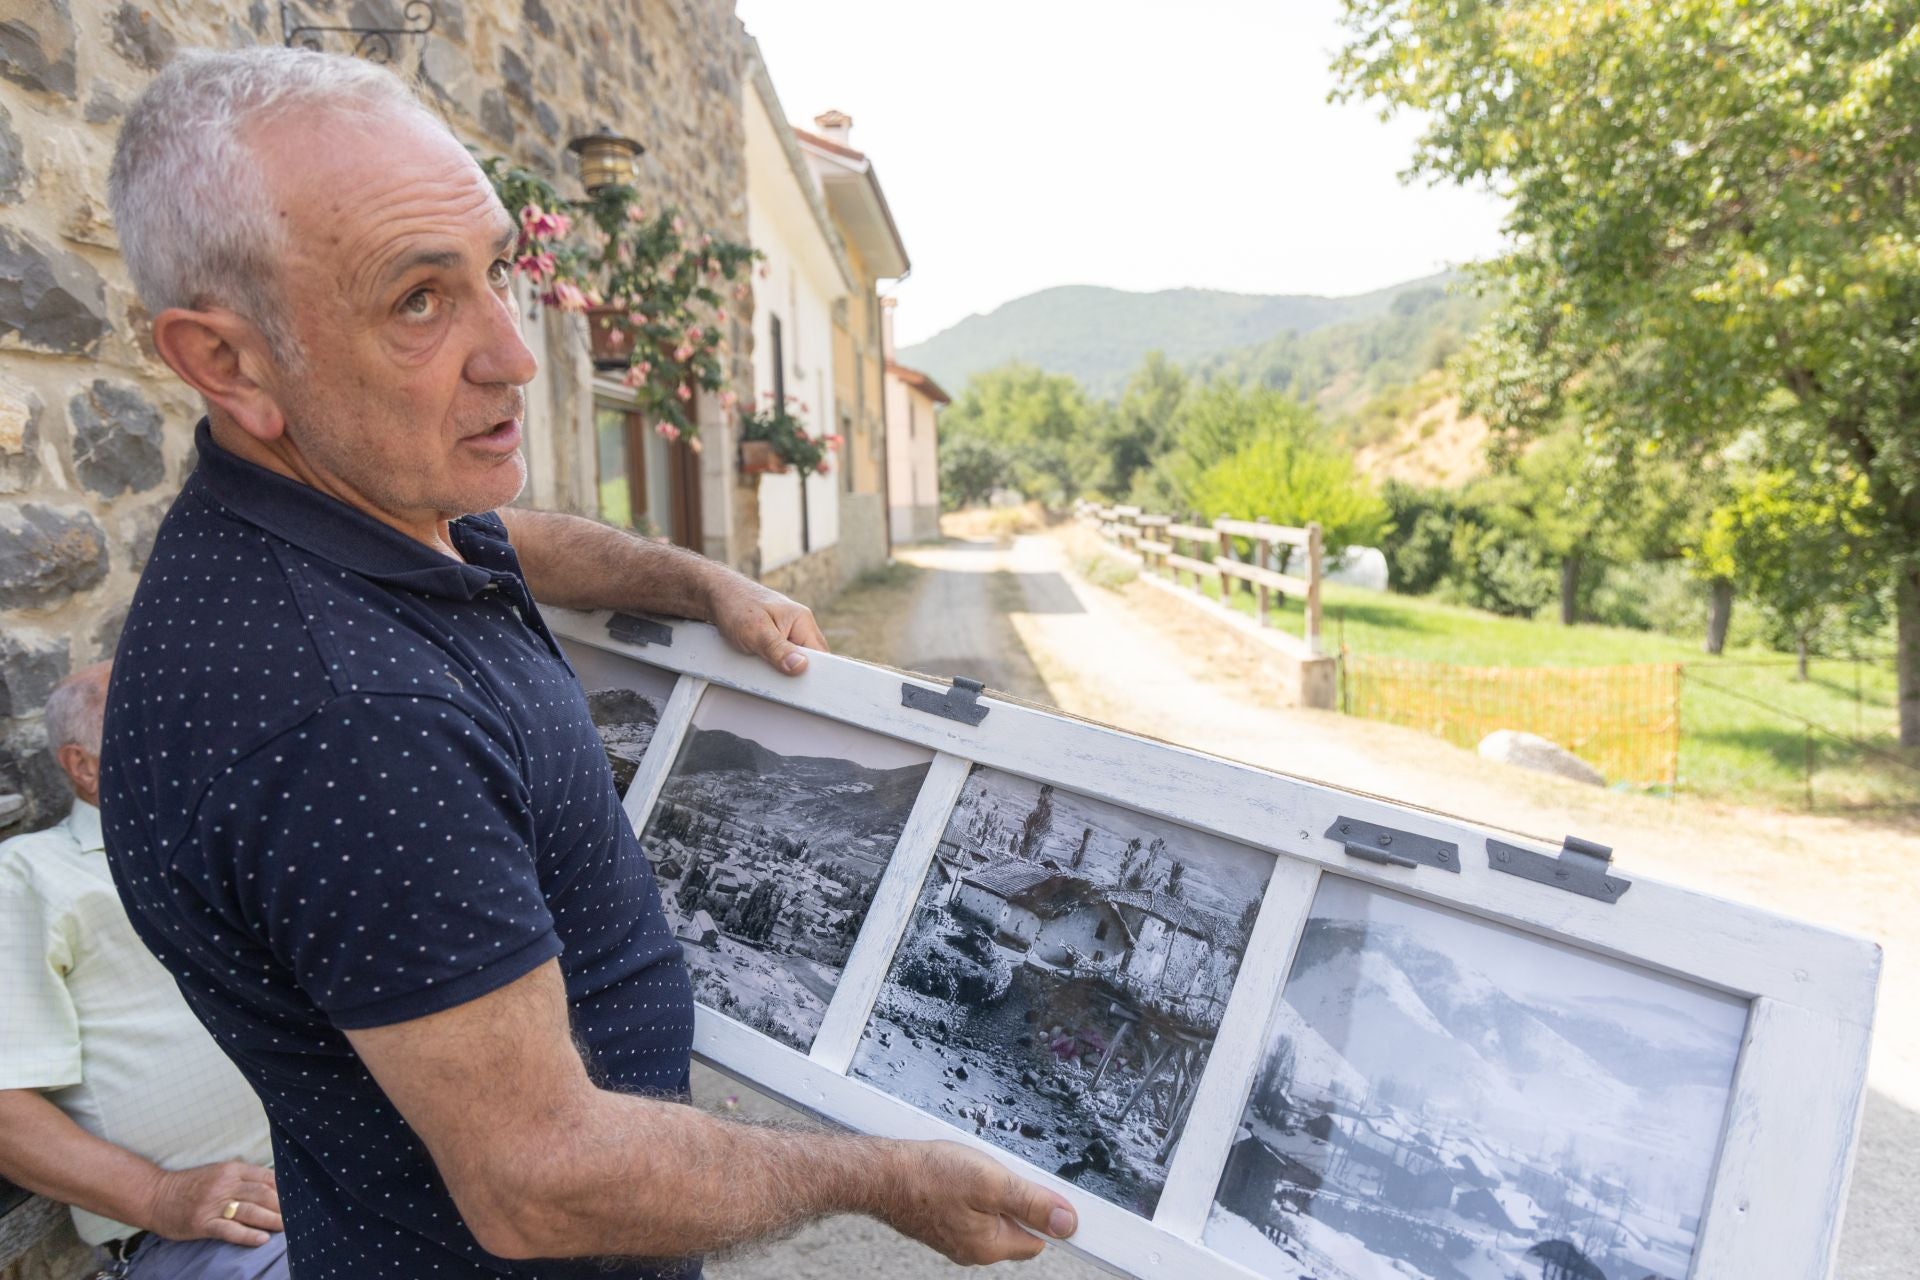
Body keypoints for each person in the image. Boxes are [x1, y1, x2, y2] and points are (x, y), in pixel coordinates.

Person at [98, 45, 1077, 1280]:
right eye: (418, 300)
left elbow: (497, 534)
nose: (512, 351)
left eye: (496, 270)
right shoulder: (354, 718)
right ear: (228, 362)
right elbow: (539, 1180)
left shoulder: (339, 512)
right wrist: (882, 1174)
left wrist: (697, 580)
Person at [0, 664, 289, 1280]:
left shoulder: (247, 837)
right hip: (235, 1232)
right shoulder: (26, 877)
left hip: (368, 1176)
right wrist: (161, 1196)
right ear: (83, 767)